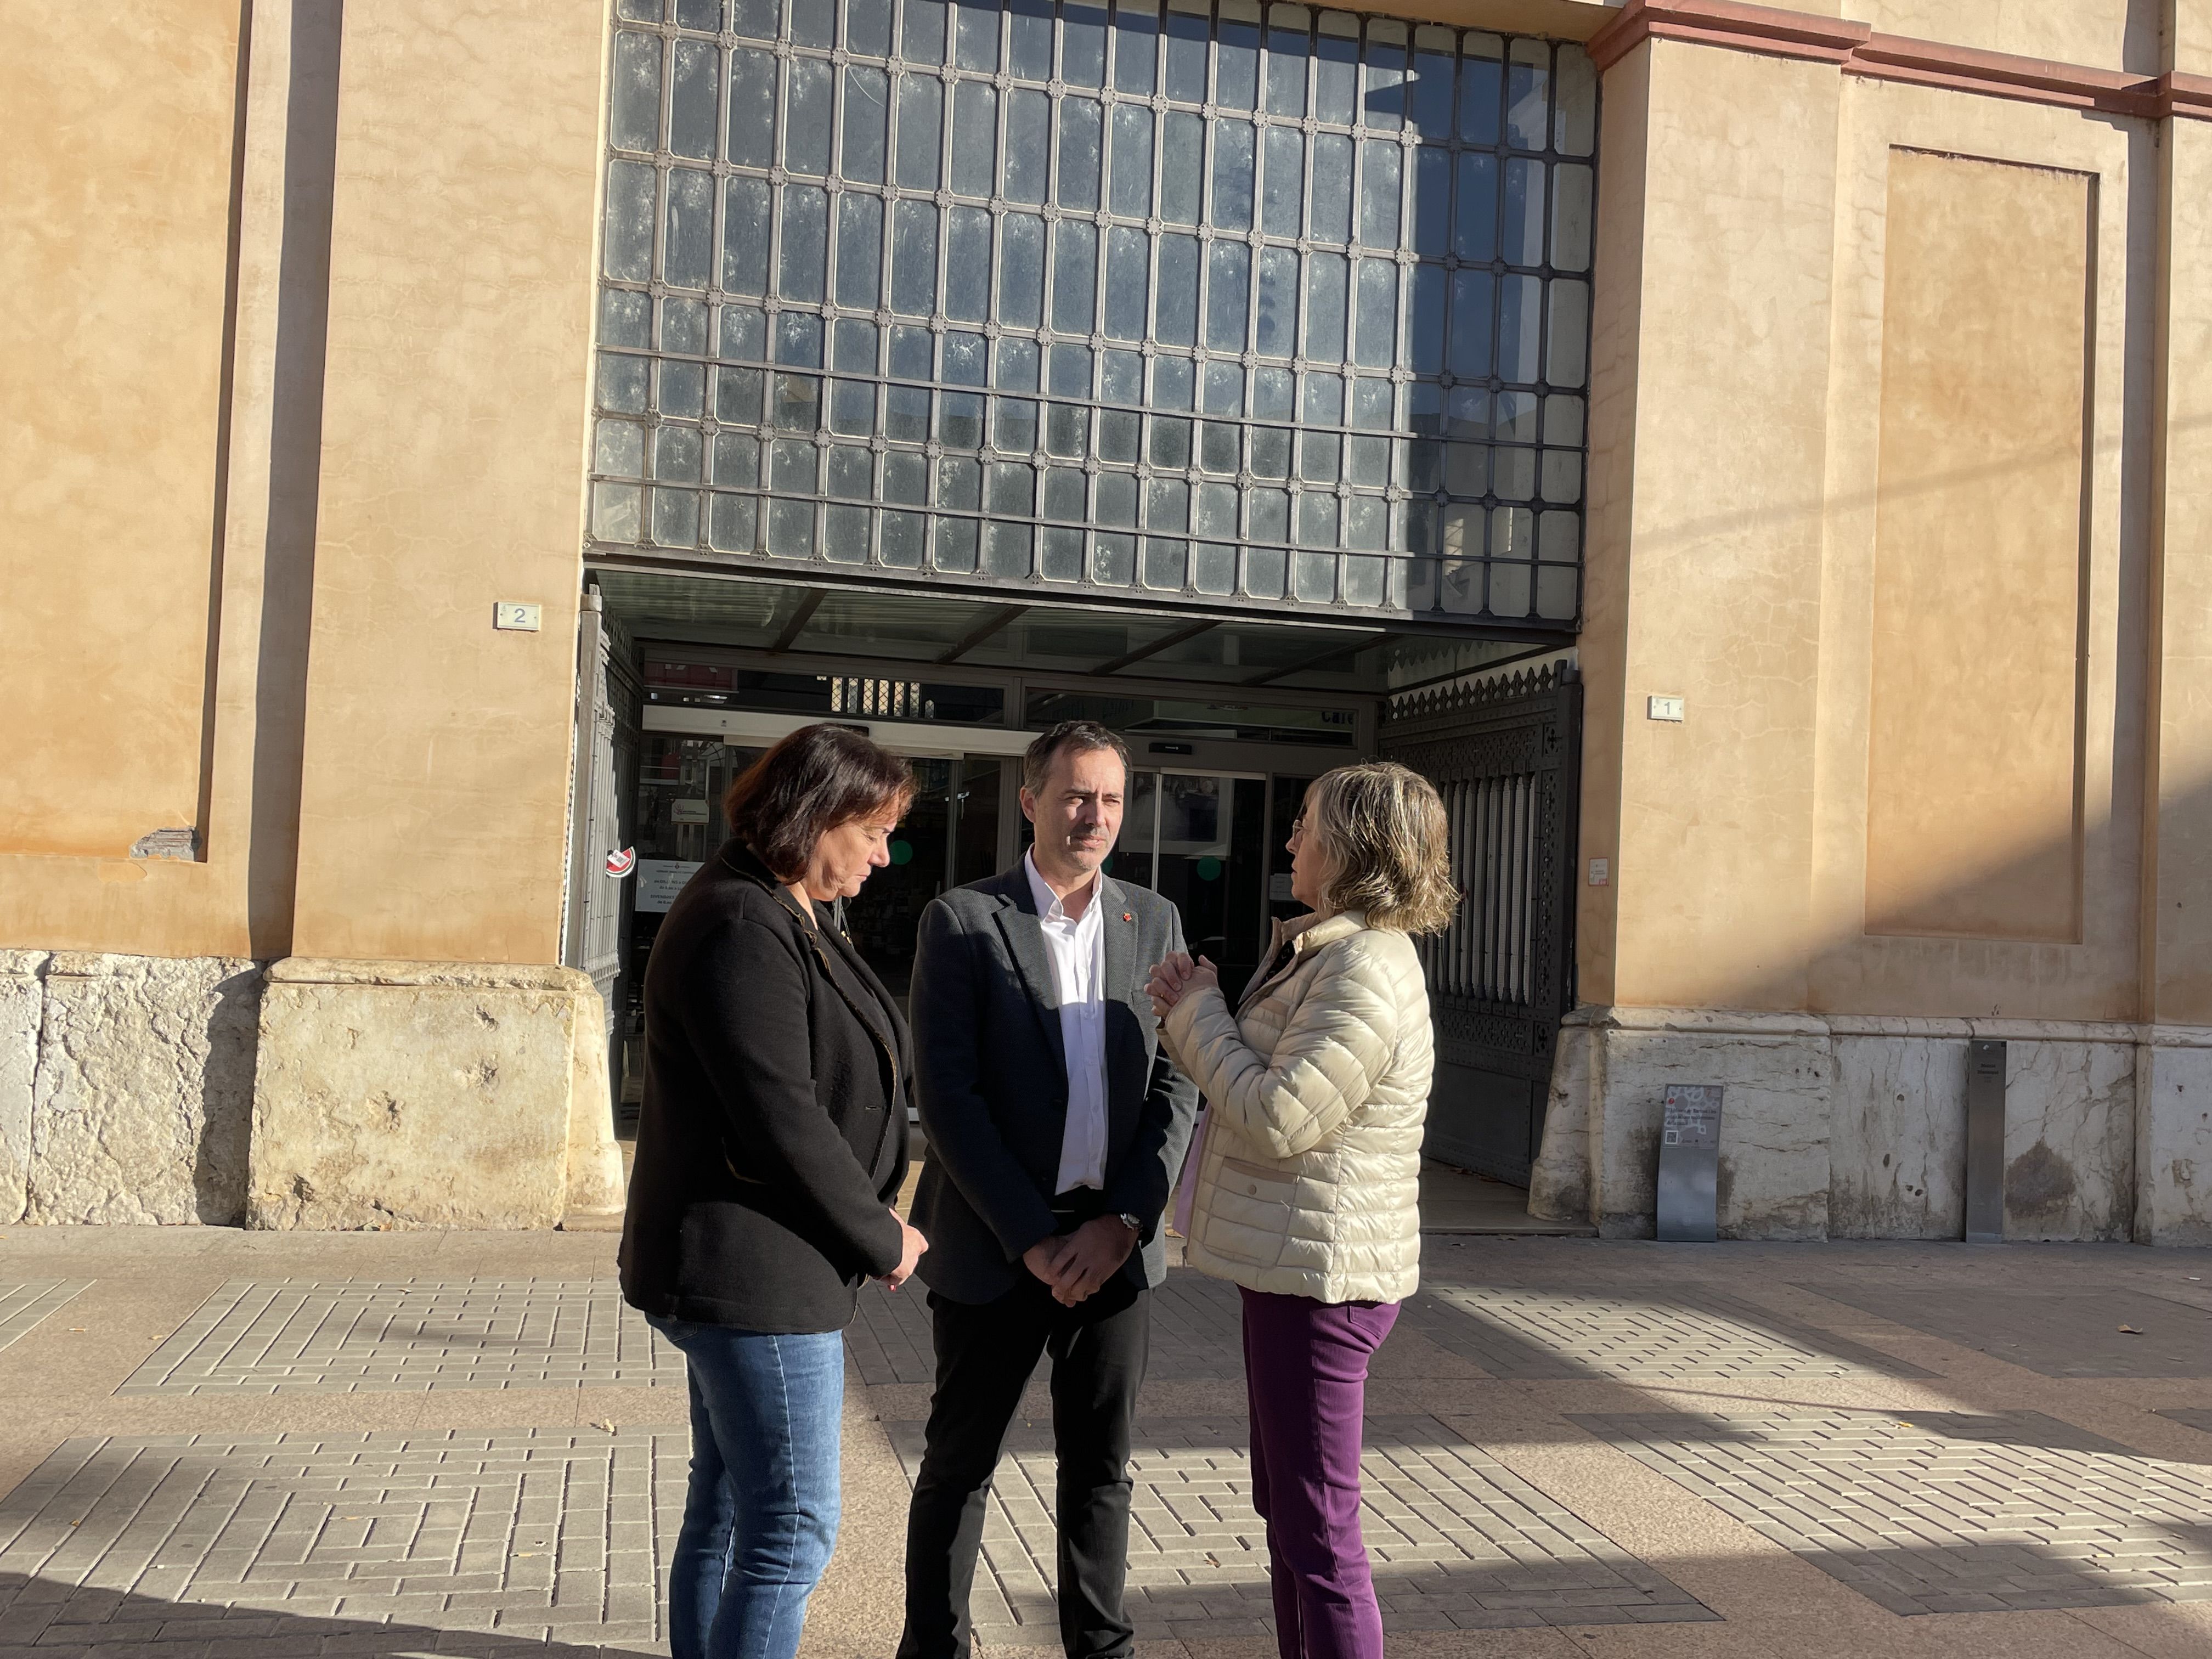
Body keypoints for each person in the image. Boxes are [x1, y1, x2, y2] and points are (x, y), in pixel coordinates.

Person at [619, 723, 930, 1659]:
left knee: (726, 1508)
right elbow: (779, 1114)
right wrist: (881, 1233)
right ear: (817, 813)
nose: (884, 855)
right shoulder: (740, 919)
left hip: (758, 1269)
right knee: (791, 1531)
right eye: (872, 831)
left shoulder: (782, 905)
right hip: (758, 1276)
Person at [897, 720, 1200, 1659]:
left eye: (1111, 799)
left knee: (1101, 1470)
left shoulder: (1152, 920)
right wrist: (1032, 1237)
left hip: (1113, 1246)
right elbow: (948, 1097)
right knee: (960, 1464)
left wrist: (1122, 1222)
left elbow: (1176, 1082)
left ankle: (1100, 1649)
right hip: (995, 1244)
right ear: (1031, 802)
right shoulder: (961, 919)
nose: (1094, 817)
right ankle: (935, 1648)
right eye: (1075, 796)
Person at [1144, 761, 1455, 1659]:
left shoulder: (1363, 969)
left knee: (1319, 1536)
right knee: (1289, 1515)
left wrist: (1197, 1012)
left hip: (1324, 1283)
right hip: (1294, 1268)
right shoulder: (1330, 950)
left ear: (1351, 846)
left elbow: (1280, 1117)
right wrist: (1200, 1008)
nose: (1289, 840)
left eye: (1306, 823)